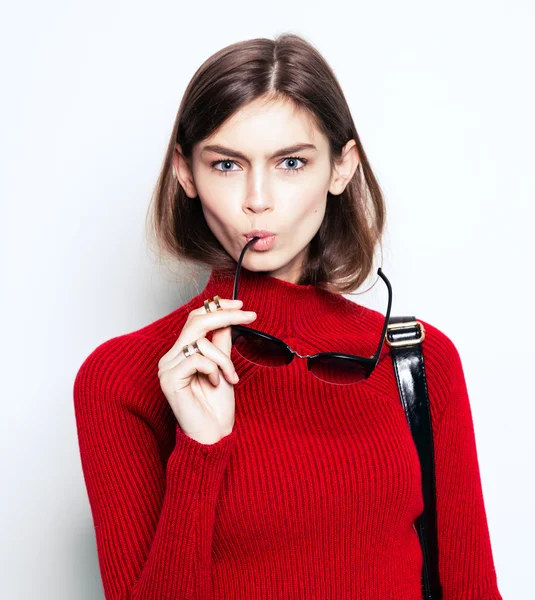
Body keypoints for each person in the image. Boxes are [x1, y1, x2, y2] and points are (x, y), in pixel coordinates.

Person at [73, 33, 502, 600]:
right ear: (186, 174)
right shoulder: (121, 380)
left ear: (341, 168)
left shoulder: (419, 362)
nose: (258, 199)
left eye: (291, 163)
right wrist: (202, 452)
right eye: (226, 164)